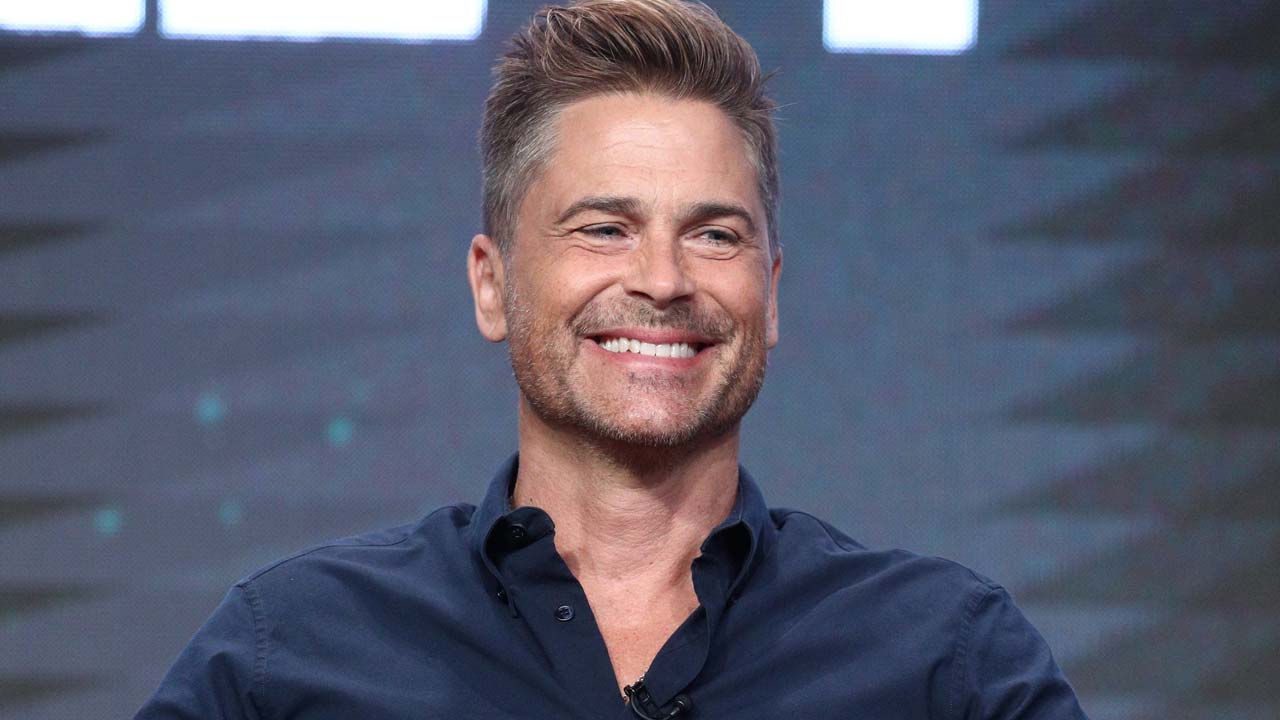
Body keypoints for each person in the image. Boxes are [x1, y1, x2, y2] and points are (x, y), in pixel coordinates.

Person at [136, 1, 1089, 718]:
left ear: (771, 292)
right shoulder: (294, 650)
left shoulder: (946, 660)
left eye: (714, 235)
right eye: (604, 228)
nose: (663, 280)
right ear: (492, 285)